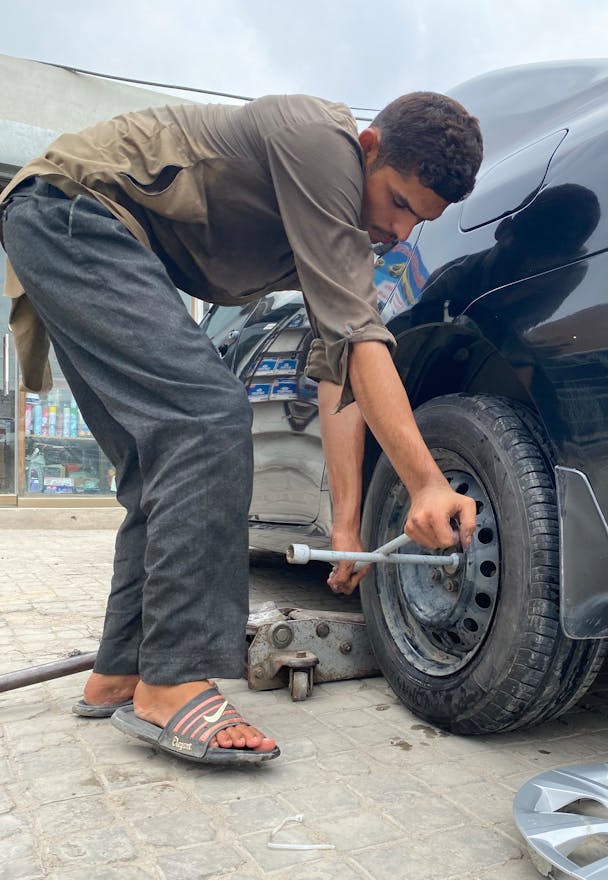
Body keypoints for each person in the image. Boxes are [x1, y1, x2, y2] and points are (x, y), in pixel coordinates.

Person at [0, 91, 483, 765]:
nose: (400, 231)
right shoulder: (322, 143)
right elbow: (364, 341)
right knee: (207, 417)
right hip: (73, 211)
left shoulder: (335, 231)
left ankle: (123, 670)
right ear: (369, 149)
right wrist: (426, 482)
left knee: (159, 462)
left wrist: (346, 527)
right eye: (399, 202)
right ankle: (172, 684)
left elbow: (340, 371)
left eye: (417, 221)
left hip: (67, 226)